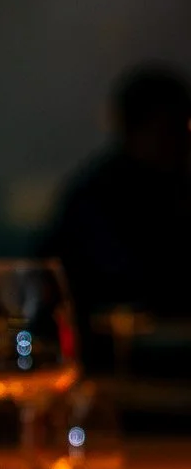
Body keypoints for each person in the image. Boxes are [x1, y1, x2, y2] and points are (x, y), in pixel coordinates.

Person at [42, 63, 191, 356]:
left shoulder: (176, 188)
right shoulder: (96, 199)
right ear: (133, 130)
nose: (182, 142)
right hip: (106, 361)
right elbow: (137, 283)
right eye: (168, 129)